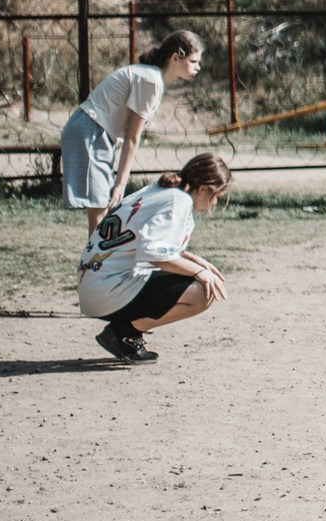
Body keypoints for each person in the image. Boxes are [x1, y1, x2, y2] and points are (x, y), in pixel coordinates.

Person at [75, 153, 234, 364]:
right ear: (203, 188)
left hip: (96, 283)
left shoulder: (162, 191)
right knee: (202, 293)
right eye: (216, 195)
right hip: (108, 289)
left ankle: (125, 332)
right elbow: (153, 254)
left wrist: (195, 260)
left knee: (197, 278)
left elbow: (144, 244)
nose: (214, 202)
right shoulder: (179, 201)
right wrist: (199, 272)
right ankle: (124, 333)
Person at [62, 29, 205, 232]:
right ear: (175, 57)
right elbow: (132, 137)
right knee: (100, 204)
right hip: (90, 129)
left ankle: (99, 259)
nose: (198, 67)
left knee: (102, 204)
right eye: (193, 61)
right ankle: (96, 261)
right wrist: (121, 184)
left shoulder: (154, 78)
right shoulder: (150, 80)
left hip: (96, 130)